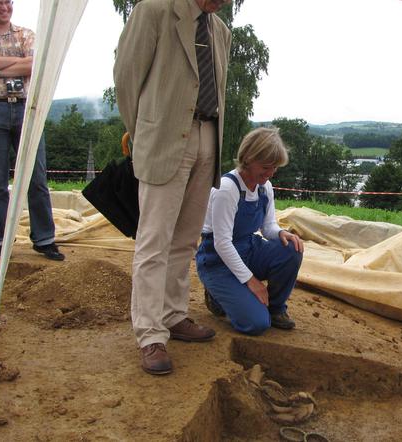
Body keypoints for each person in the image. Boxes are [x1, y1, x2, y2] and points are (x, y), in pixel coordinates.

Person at [113, 0, 232, 375]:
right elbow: (126, 77)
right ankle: (150, 334)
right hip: (164, 138)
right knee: (154, 241)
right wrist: (146, 131)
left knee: (185, 239)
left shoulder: (221, 32)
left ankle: (173, 315)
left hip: (208, 138)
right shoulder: (153, 10)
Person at [0, 0, 64, 261]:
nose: (4, 7)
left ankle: (44, 239)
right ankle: (0, 241)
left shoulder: (26, 33)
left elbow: (35, 64)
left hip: (26, 107)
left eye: (8, 1)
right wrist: (14, 63)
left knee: (36, 176)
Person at [196, 128, 304, 335]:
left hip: (248, 248)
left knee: (291, 249)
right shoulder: (227, 189)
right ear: (247, 159)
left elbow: (268, 226)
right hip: (216, 260)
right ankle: (216, 295)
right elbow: (222, 243)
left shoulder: (265, 187)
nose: (271, 173)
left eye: (275, 168)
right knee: (256, 323)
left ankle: (275, 309)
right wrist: (252, 282)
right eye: (265, 167)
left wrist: (281, 233)